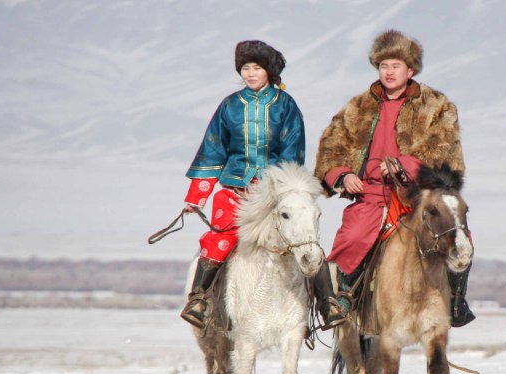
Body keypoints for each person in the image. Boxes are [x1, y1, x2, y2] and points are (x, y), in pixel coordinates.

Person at [180, 40, 346, 330]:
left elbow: (292, 153)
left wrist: (279, 190)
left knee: (304, 239)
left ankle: (326, 304)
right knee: (220, 240)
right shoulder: (229, 106)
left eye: (256, 67)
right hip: (235, 193)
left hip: (274, 197)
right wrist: (197, 196)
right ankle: (200, 299)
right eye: (245, 68)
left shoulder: (286, 106)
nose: (250, 73)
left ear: (269, 70)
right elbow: (213, 149)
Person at [314, 29, 475, 327]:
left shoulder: (437, 107)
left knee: (457, 236)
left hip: (418, 197)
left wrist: (404, 165)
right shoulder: (358, 107)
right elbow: (332, 146)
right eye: (383, 65)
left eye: (396, 65)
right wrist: (343, 174)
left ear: (410, 69)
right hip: (371, 196)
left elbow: (445, 155)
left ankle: (455, 301)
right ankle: (344, 298)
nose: (389, 72)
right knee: (351, 237)